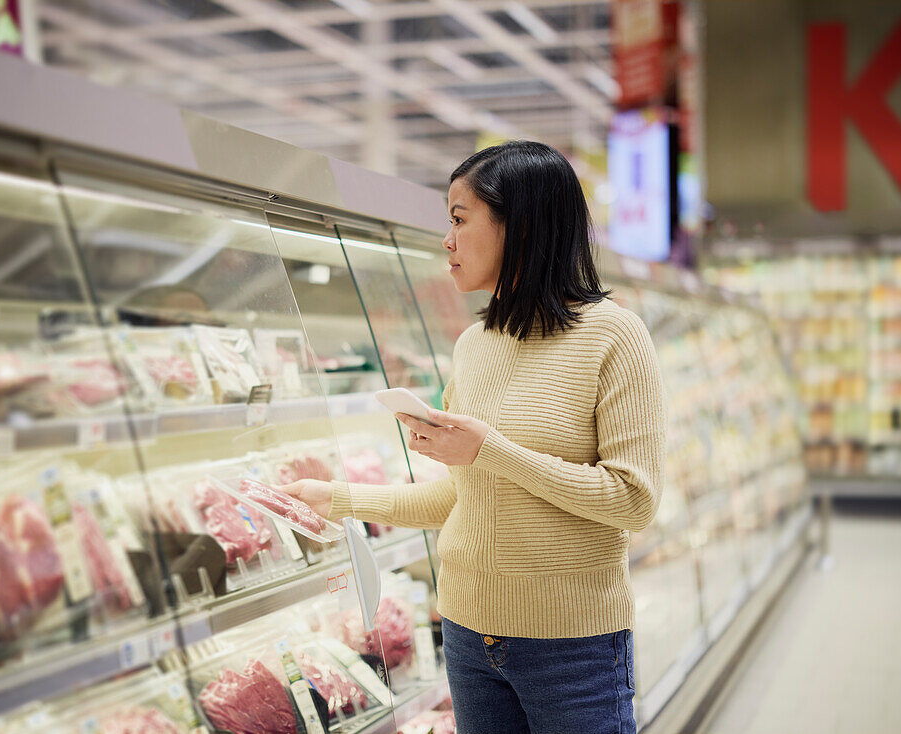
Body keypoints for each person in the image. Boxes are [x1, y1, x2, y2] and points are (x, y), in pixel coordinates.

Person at [283, 140, 665, 734]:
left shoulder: (614, 337)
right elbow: (464, 497)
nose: (448, 240)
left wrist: (491, 450)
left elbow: (633, 500)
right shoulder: (474, 346)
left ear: (523, 225)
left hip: (572, 646)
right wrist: (335, 499)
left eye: (460, 220)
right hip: (466, 632)